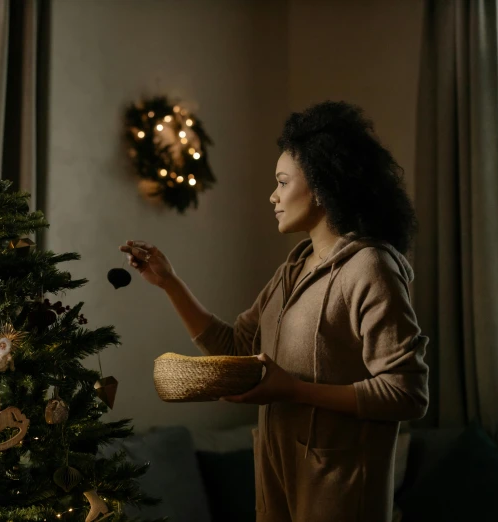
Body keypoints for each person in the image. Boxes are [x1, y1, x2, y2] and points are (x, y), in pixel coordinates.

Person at [119, 101, 429, 522]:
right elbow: (236, 345)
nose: (273, 196)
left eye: (283, 182)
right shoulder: (294, 269)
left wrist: (292, 390)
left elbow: (406, 393)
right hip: (276, 490)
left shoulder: (370, 268)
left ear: (321, 186)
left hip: (341, 499)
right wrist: (169, 283)